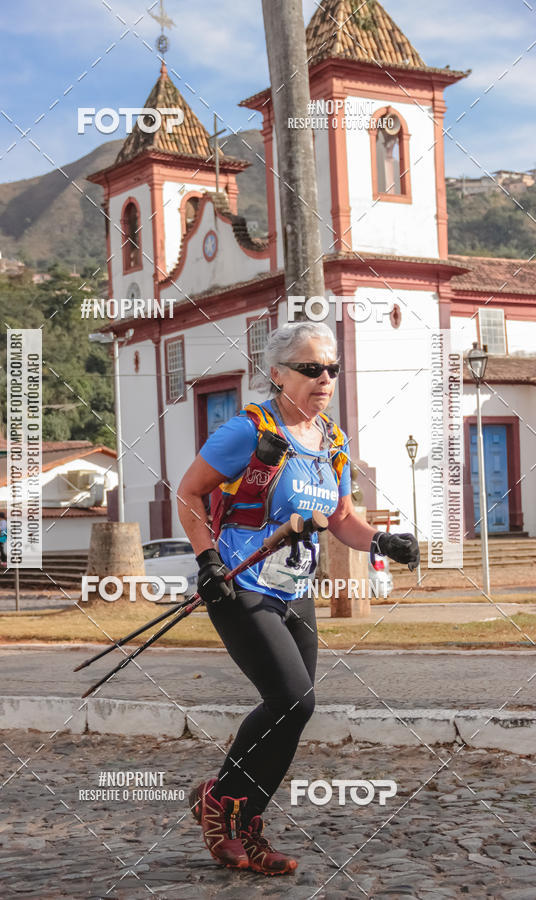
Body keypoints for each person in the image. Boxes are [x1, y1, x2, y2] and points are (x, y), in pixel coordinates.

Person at [178, 321, 419, 875]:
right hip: (241, 583)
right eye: (311, 369)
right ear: (278, 374)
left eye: (332, 369)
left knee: (291, 715)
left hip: (294, 590)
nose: (325, 379)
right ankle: (220, 804)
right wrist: (207, 561)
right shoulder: (247, 430)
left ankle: (245, 820)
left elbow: (341, 518)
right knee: (294, 699)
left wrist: (381, 540)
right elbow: (189, 491)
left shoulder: (331, 441)